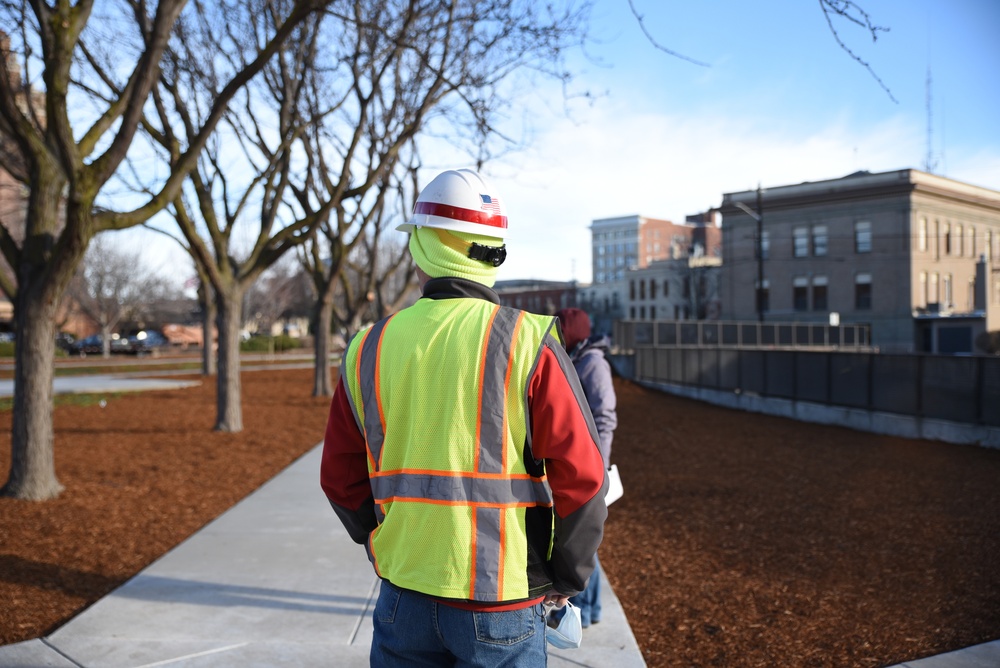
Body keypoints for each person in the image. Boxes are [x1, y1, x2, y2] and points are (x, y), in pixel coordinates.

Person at [320, 168, 608, 666]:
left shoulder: (368, 346)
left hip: (403, 592)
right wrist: (566, 577)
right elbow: (583, 478)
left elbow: (340, 478)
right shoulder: (528, 341)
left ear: (422, 249)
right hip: (504, 598)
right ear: (493, 252)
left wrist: (379, 540)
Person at [552, 307, 617, 629]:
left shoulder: (592, 363)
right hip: (577, 464)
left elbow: (605, 417)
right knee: (579, 536)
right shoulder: (575, 359)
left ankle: (584, 612)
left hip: (589, 468)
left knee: (583, 537)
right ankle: (583, 611)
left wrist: (599, 468)